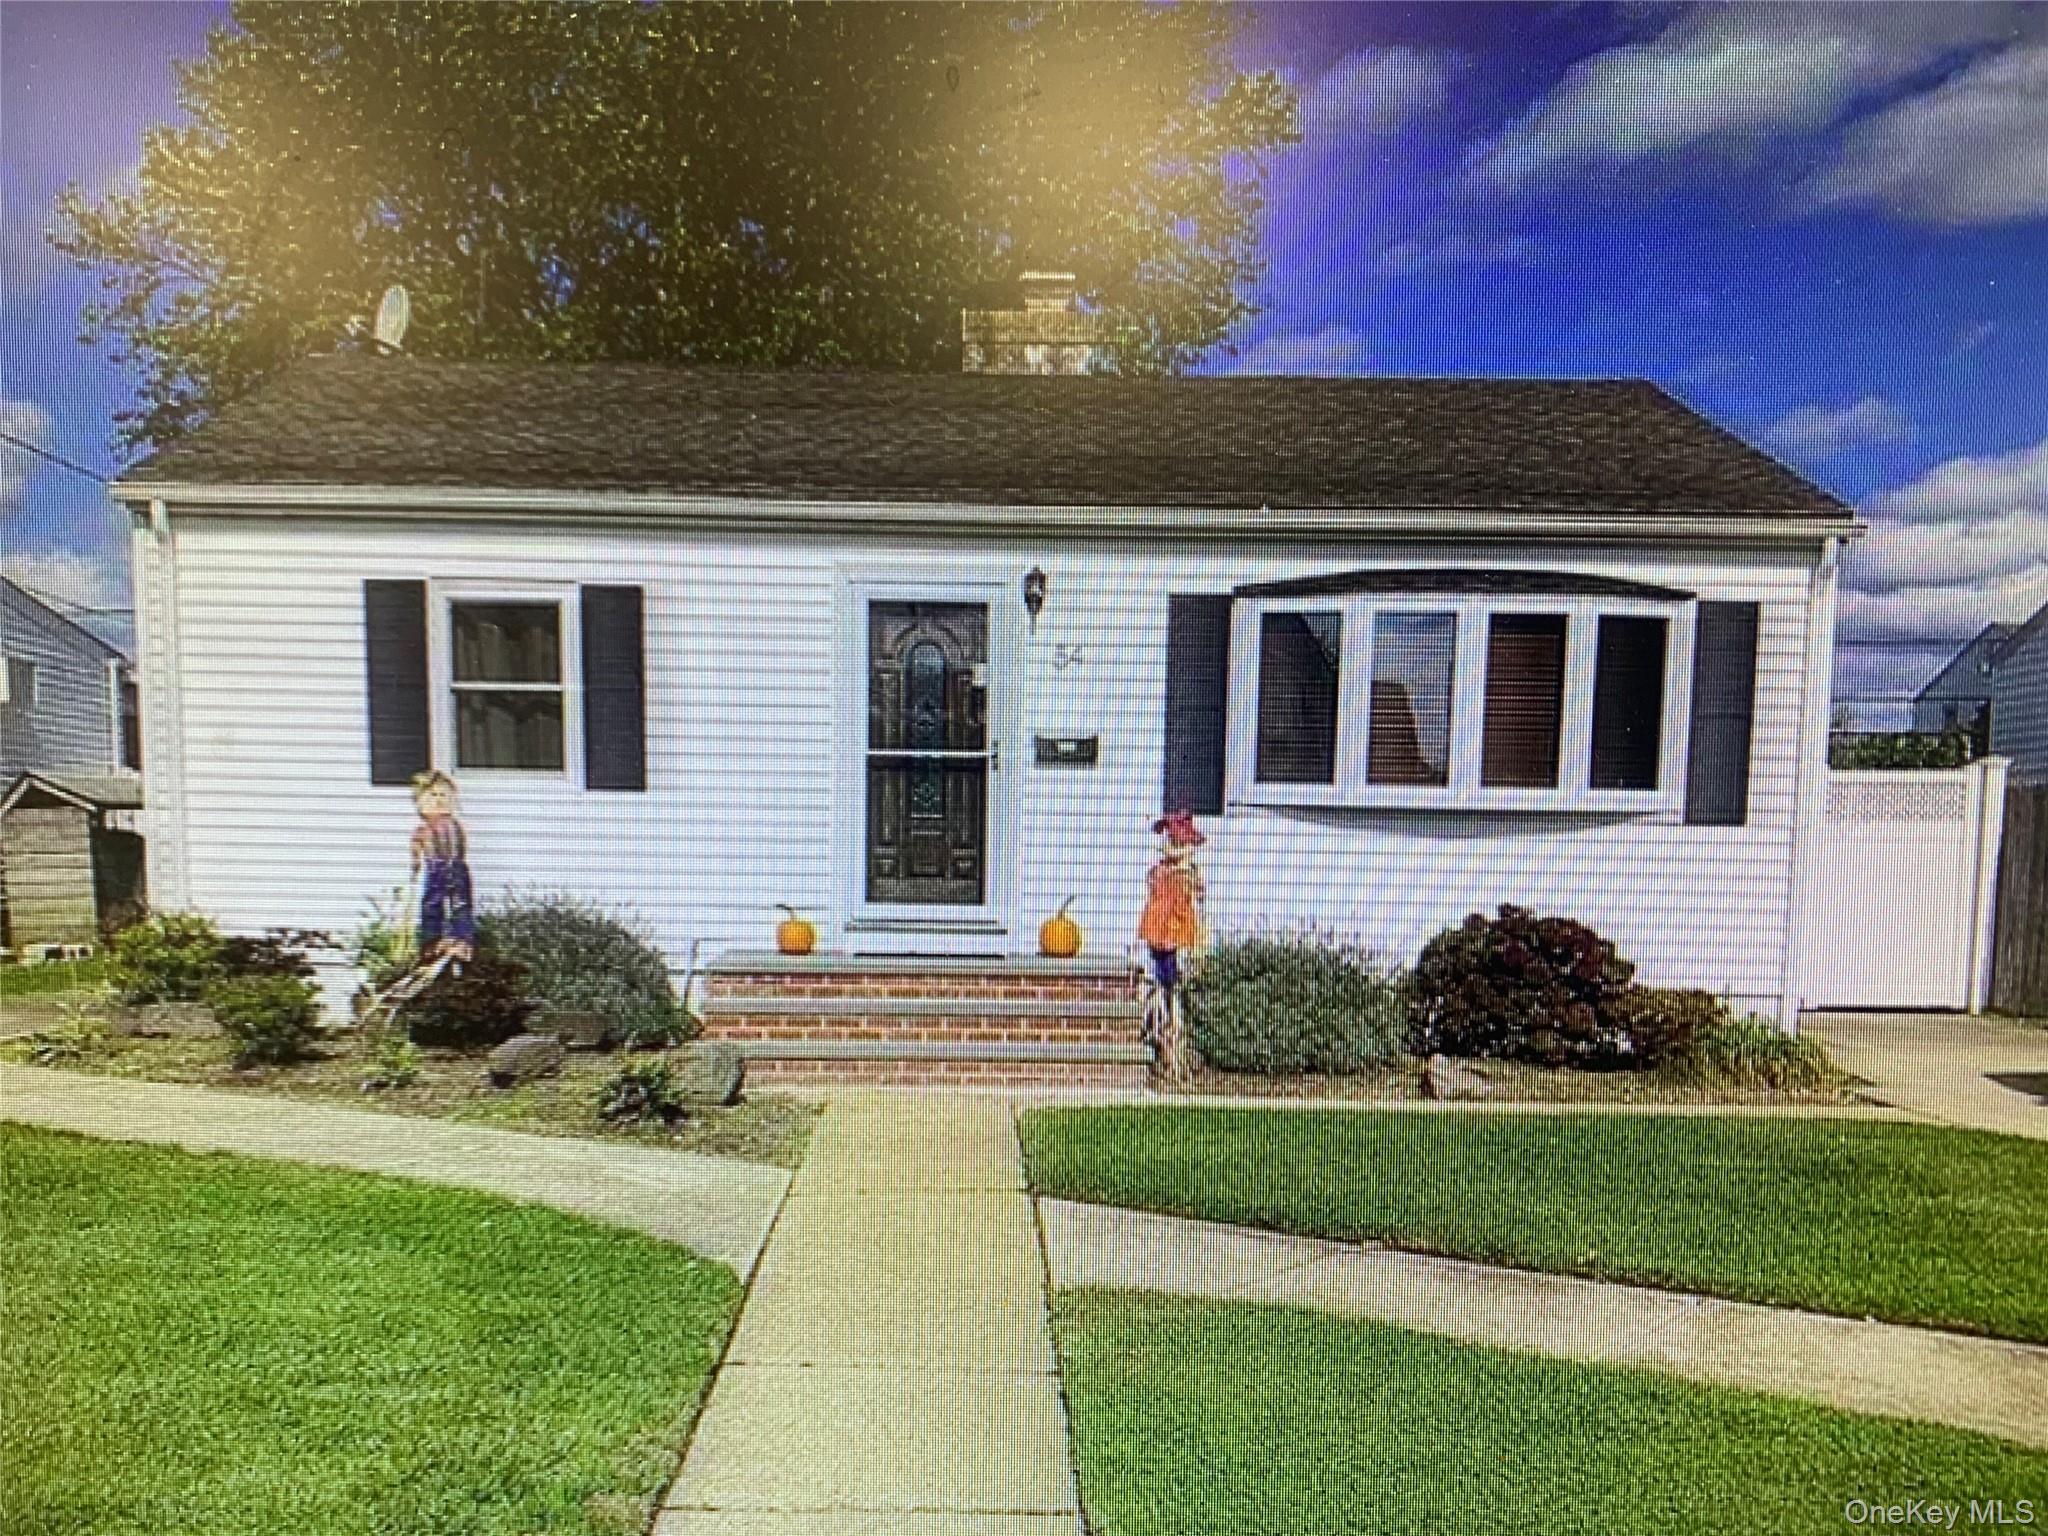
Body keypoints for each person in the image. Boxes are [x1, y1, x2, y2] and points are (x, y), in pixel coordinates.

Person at [1137, 809, 1206, 996]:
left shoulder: (1189, 872)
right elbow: (1152, 889)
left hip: (1179, 926)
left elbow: (1198, 896)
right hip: (1159, 924)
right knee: (1159, 969)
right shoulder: (1160, 870)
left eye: (1181, 843)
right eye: (1170, 841)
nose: (1174, 847)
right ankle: (1162, 1002)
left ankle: (1174, 1003)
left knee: (1177, 971)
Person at [410, 771, 475, 962]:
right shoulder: (422, 829)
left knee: (460, 904)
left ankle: (462, 940)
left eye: (443, 795)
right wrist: (415, 863)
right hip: (435, 869)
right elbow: (416, 850)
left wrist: (458, 864)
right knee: (432, 905)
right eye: (433, 795)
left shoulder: (453, 824)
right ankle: (431, 941)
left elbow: (461, 846)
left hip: (456, 867)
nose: (439, 800)